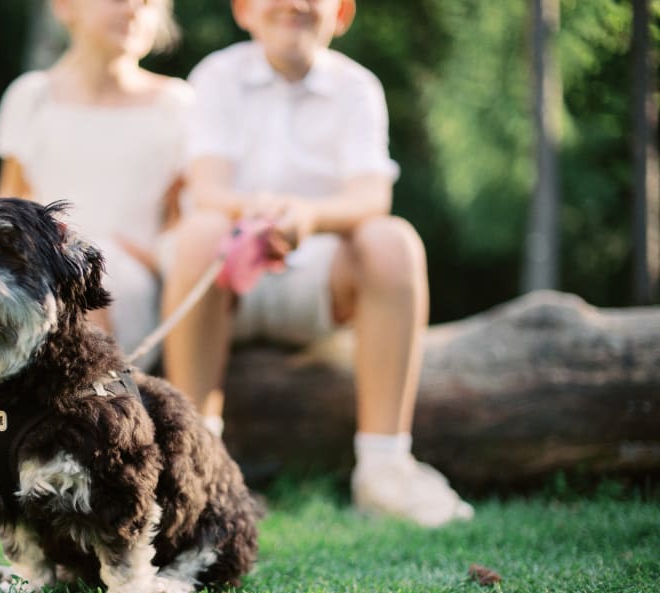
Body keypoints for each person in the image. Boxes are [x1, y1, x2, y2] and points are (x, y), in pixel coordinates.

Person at [162, 0, 474, 527]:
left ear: (342, 13)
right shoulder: (216, 75)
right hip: (225, 280)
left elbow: (371, 196)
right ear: (244, 11)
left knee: (392, 241)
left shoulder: (358, 88)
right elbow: (208, 188)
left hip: (321, 279)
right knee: (198, 231)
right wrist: (259, 212)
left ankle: (383, 467)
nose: (295, 3)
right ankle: (191, 459)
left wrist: (307, 216)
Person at [0, 0, 191, 370]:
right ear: (66, 7)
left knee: (90, 280)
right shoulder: (31, 97)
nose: (134, 10)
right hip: (43, 266)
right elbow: (7, 206)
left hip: (129, 282)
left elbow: (184, 218)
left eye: (148, 2)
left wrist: (154, 257)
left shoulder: (176, 105)